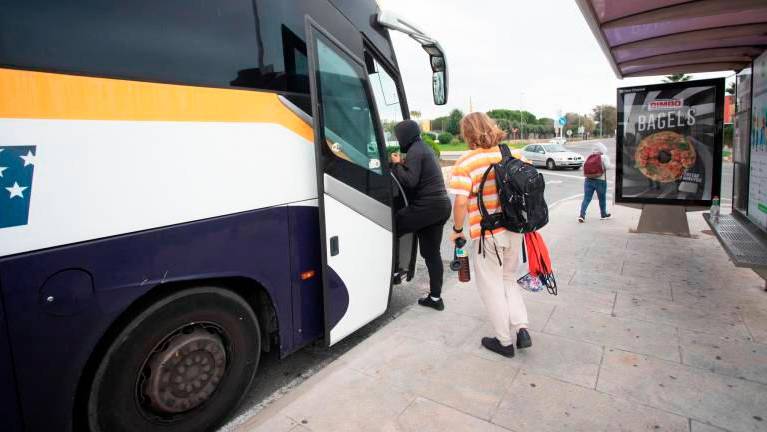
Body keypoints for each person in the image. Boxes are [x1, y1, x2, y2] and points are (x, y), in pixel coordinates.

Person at [447, 112, 531, 358]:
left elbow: (461, 203)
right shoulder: (513, 154)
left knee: (491, 286)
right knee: (508, 278)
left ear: (468, 134)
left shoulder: (466, 162)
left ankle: (504, 341)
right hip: (515, 229)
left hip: (488, 234)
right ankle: (521, 328)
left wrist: (456, 230)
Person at [390, 120, 452, 311]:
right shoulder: (424, 148)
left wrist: (395, 164)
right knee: (432, 253)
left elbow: (410, 181)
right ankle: (435, 298)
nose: (398, 139)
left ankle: (393, 271)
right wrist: (402, 162)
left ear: (404, 136)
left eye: (398, 136)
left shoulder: (416, 151)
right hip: (441, 206)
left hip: (427, 207)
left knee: (390, 227)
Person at [578, 142, 612, 223]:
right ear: (602, 150)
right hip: (600, 180)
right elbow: (608, 167)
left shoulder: (590, 157)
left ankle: (582, 215)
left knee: (587, 198)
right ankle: (603, 214)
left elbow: (584, 166)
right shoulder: (604, 157)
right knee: (602, 198)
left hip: (588, 180)